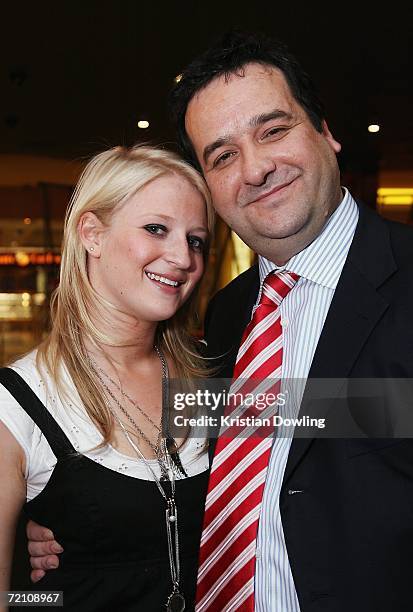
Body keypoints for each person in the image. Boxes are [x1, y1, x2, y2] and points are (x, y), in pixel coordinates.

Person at [27, 30, 413, 612]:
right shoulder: (228, 316)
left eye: (273, 130)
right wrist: (49, 560)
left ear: (326, 133)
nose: (255, 169)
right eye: (223, 155)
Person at [0, 144, 215, 611]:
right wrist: (46, 596)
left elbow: (371, 414)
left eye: (196, 239)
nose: (182, 257)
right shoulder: (18, 401)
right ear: (92, 234)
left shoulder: (211, 375)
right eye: (156, 229)